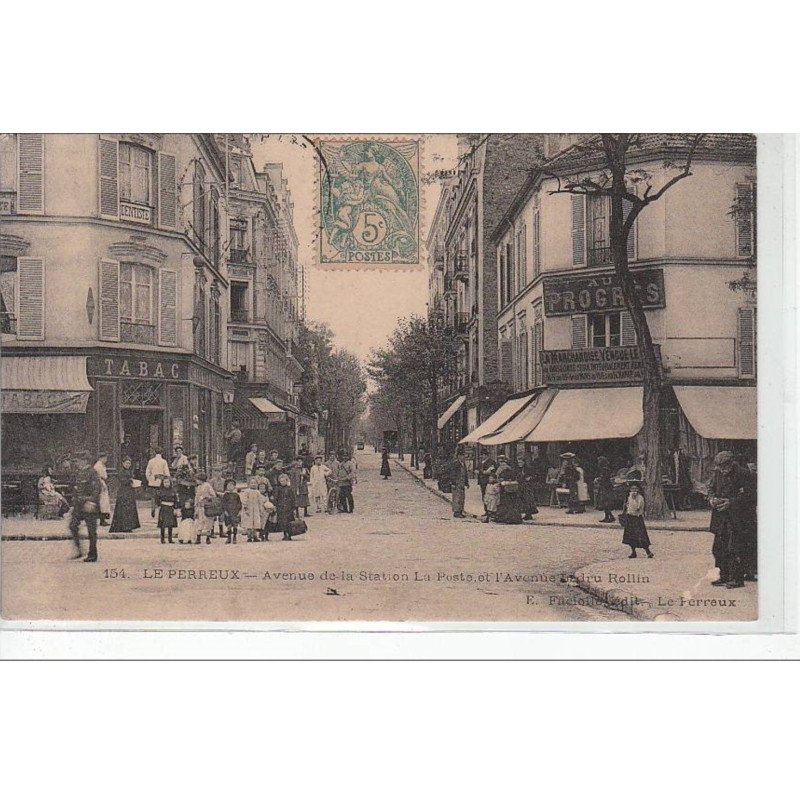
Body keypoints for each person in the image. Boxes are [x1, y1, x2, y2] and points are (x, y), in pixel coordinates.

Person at [708, 451, 757, 589]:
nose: (722, 470)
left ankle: (737, 579)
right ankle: (723, 576)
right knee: (718, 548)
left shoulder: (744, 474)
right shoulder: (717, 473)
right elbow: (711, 488)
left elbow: (752, 497)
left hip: (738, 519)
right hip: (720, 517)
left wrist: (731, 502)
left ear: (731, 464)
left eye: (724, 467)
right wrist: (711, 499)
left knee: (735, 549)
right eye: (719, 467)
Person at [68, 451, 103, 562]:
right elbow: (76, 489)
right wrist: (73, 505)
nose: (76, 463)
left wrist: (92, 501)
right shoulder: (79, 472)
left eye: (78, 461)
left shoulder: (92, 472)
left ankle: (93, 554)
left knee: (91, 531)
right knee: (73, 525)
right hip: (78, 505)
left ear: (84, 461)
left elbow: (97, 489)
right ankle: (79, 550)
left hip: (89, 504)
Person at [621, 483, 653, 558]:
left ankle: (648, 551)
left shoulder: (640, 498)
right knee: (630, 536)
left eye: (635, 489)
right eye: (632, 489)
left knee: (641, 535)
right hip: (630, 518)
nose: (634, 491)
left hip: (637, 518)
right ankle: (633, 552)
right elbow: (627, 506)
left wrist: (634, 499)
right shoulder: (628, 497)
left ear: (638, 490)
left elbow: (638, 508)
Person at [109, 456, 140, 533]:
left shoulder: (129, 471)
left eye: (129, 463)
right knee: (124, 509)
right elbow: (122, 480)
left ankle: (128, 526)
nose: (128, 465)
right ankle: (125, 527)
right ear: (123, 463)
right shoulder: (121, 471)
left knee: (129, 509)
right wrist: (130, 481)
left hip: (129, 491)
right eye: (126, 463)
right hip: (124, 492)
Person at [494, 454, 523, 524]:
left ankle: (505, 517)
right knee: (512, 504)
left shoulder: (500, 469)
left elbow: (497, 477)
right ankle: (513, 517)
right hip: (512, 489)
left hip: (505, 489)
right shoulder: (510, 469)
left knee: (504, 503)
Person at [145, 447, 170, 519]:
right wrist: (166, 480)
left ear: (155, 453)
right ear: (162, 453)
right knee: (161, 497)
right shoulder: (164, 461)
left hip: (152, 482)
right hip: (161, 482)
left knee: (153, 497)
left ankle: (153, 508)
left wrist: (149, 480)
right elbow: (167, 473)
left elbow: (147, 472)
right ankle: (160, 511)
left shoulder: (151, 461)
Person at [193, 472, 217, 544]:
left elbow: (213, 495)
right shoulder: (198, 487)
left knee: (208, 522)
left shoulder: (207, 486)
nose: (196, 481)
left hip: (207, 507)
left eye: (197, 479)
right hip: (200, 507)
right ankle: (198, 538)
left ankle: (208, 538)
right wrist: (196, 506)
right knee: (200, 522)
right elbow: (196, 497)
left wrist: (207, 497)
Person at [274, 472, 298, 541]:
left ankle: (289, 535)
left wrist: (294, 507)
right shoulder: (278, 489)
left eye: (284, 481)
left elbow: (293, 498)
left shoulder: (290, 489)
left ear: (287, 481)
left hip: (288, 508)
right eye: (281, 481)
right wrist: (275, 505)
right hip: (281, 508)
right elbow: (276, 498)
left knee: (289, 522)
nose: (282, 482)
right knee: (282, 522)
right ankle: (285, 534)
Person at [240, 477, 265, 543]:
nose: (253, 484)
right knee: (249, 523)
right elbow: (244, 500)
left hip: (256, 509)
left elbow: (260, 501)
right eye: (252, 483)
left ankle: (255, 536)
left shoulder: (257, 492)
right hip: (249, 509)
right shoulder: (246, 491)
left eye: (254, 483)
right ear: (249, 484)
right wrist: (246, 508)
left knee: (255, 523)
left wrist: (260, 509)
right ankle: (249, 537)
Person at [156, 476, 178, 544]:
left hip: (171, 508)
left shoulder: (173, 491)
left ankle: (170, 539)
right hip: (164, 508)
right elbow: (157, 500)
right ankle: (162, 539)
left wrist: (175, 508)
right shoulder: (160, 491)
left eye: (168, 482)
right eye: (165, 482)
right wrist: (159, 506)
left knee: (170, 524)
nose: (166, 484)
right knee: (163, 524)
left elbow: (175, 500)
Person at [594, 456, 616, 523]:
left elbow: (604, 479)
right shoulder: (605, 469)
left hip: (606, 488)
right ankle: (610, 517)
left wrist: (598, 479)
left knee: (605, 502)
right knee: (605, 503)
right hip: (606, 487)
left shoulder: (605, 470)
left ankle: (608, 517)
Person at [221, 478, 242, 544]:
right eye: (228, 485)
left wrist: (239, 512)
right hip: (228, 512)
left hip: (235, 512)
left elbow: (239, 504)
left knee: (235, 525)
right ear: (226, 487)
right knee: (229, 526)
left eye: (232, 485)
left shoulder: (236, 495)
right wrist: (225, 511)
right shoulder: (225, 495)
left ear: (234, 486)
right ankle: (229, 538)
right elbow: (223, 504)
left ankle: (235, 537)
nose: (230, 487)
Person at [450, 450, 470, 519]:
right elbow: (452, 474)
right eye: (463, 456)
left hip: (462, 483)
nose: (464, 457)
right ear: (459, 456)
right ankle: (456, 512)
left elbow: (465, 474)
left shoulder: (463, 464)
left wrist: (467, 483)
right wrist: (453, 483)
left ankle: (461, 511)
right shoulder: (456, 464)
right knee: (457, 498)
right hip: (456, 483)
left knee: (462, 497)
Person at [518, 455, 539, 520]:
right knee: (523, 500)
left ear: (524, 462)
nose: (519, 464)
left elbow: (536, 475)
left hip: (528, 486)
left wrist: (530, 478)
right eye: (518, 462)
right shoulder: (519, 469)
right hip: (522, 486)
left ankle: (529, 514)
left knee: (528, 500)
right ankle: (526, 513)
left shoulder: (529, 468)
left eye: (521, 462)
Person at [93, 453, 112, 526]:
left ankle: (102, 519)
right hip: (100, 483)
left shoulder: (100, 465)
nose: (106, 460)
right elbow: (103, 475)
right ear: (102, 458)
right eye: (105, 458)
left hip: (100, 483)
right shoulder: (98, 466)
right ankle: (102, 519)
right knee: (102, 502)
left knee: (102, 502)